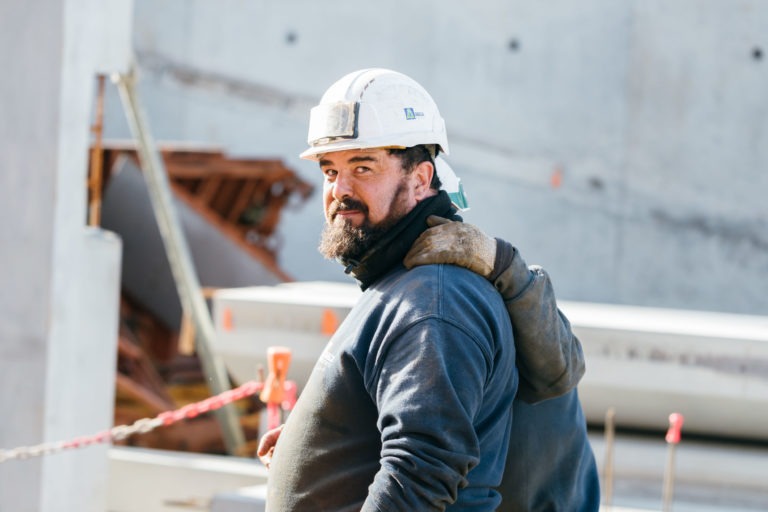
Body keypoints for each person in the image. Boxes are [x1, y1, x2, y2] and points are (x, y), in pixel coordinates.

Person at [258, 68, 599, 511]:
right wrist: (327, 436)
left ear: (421, 179)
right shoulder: (407, 278)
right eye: (330, 170)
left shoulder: (434, 300)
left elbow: (420, 472)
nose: (340, 190)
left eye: (363, 167)